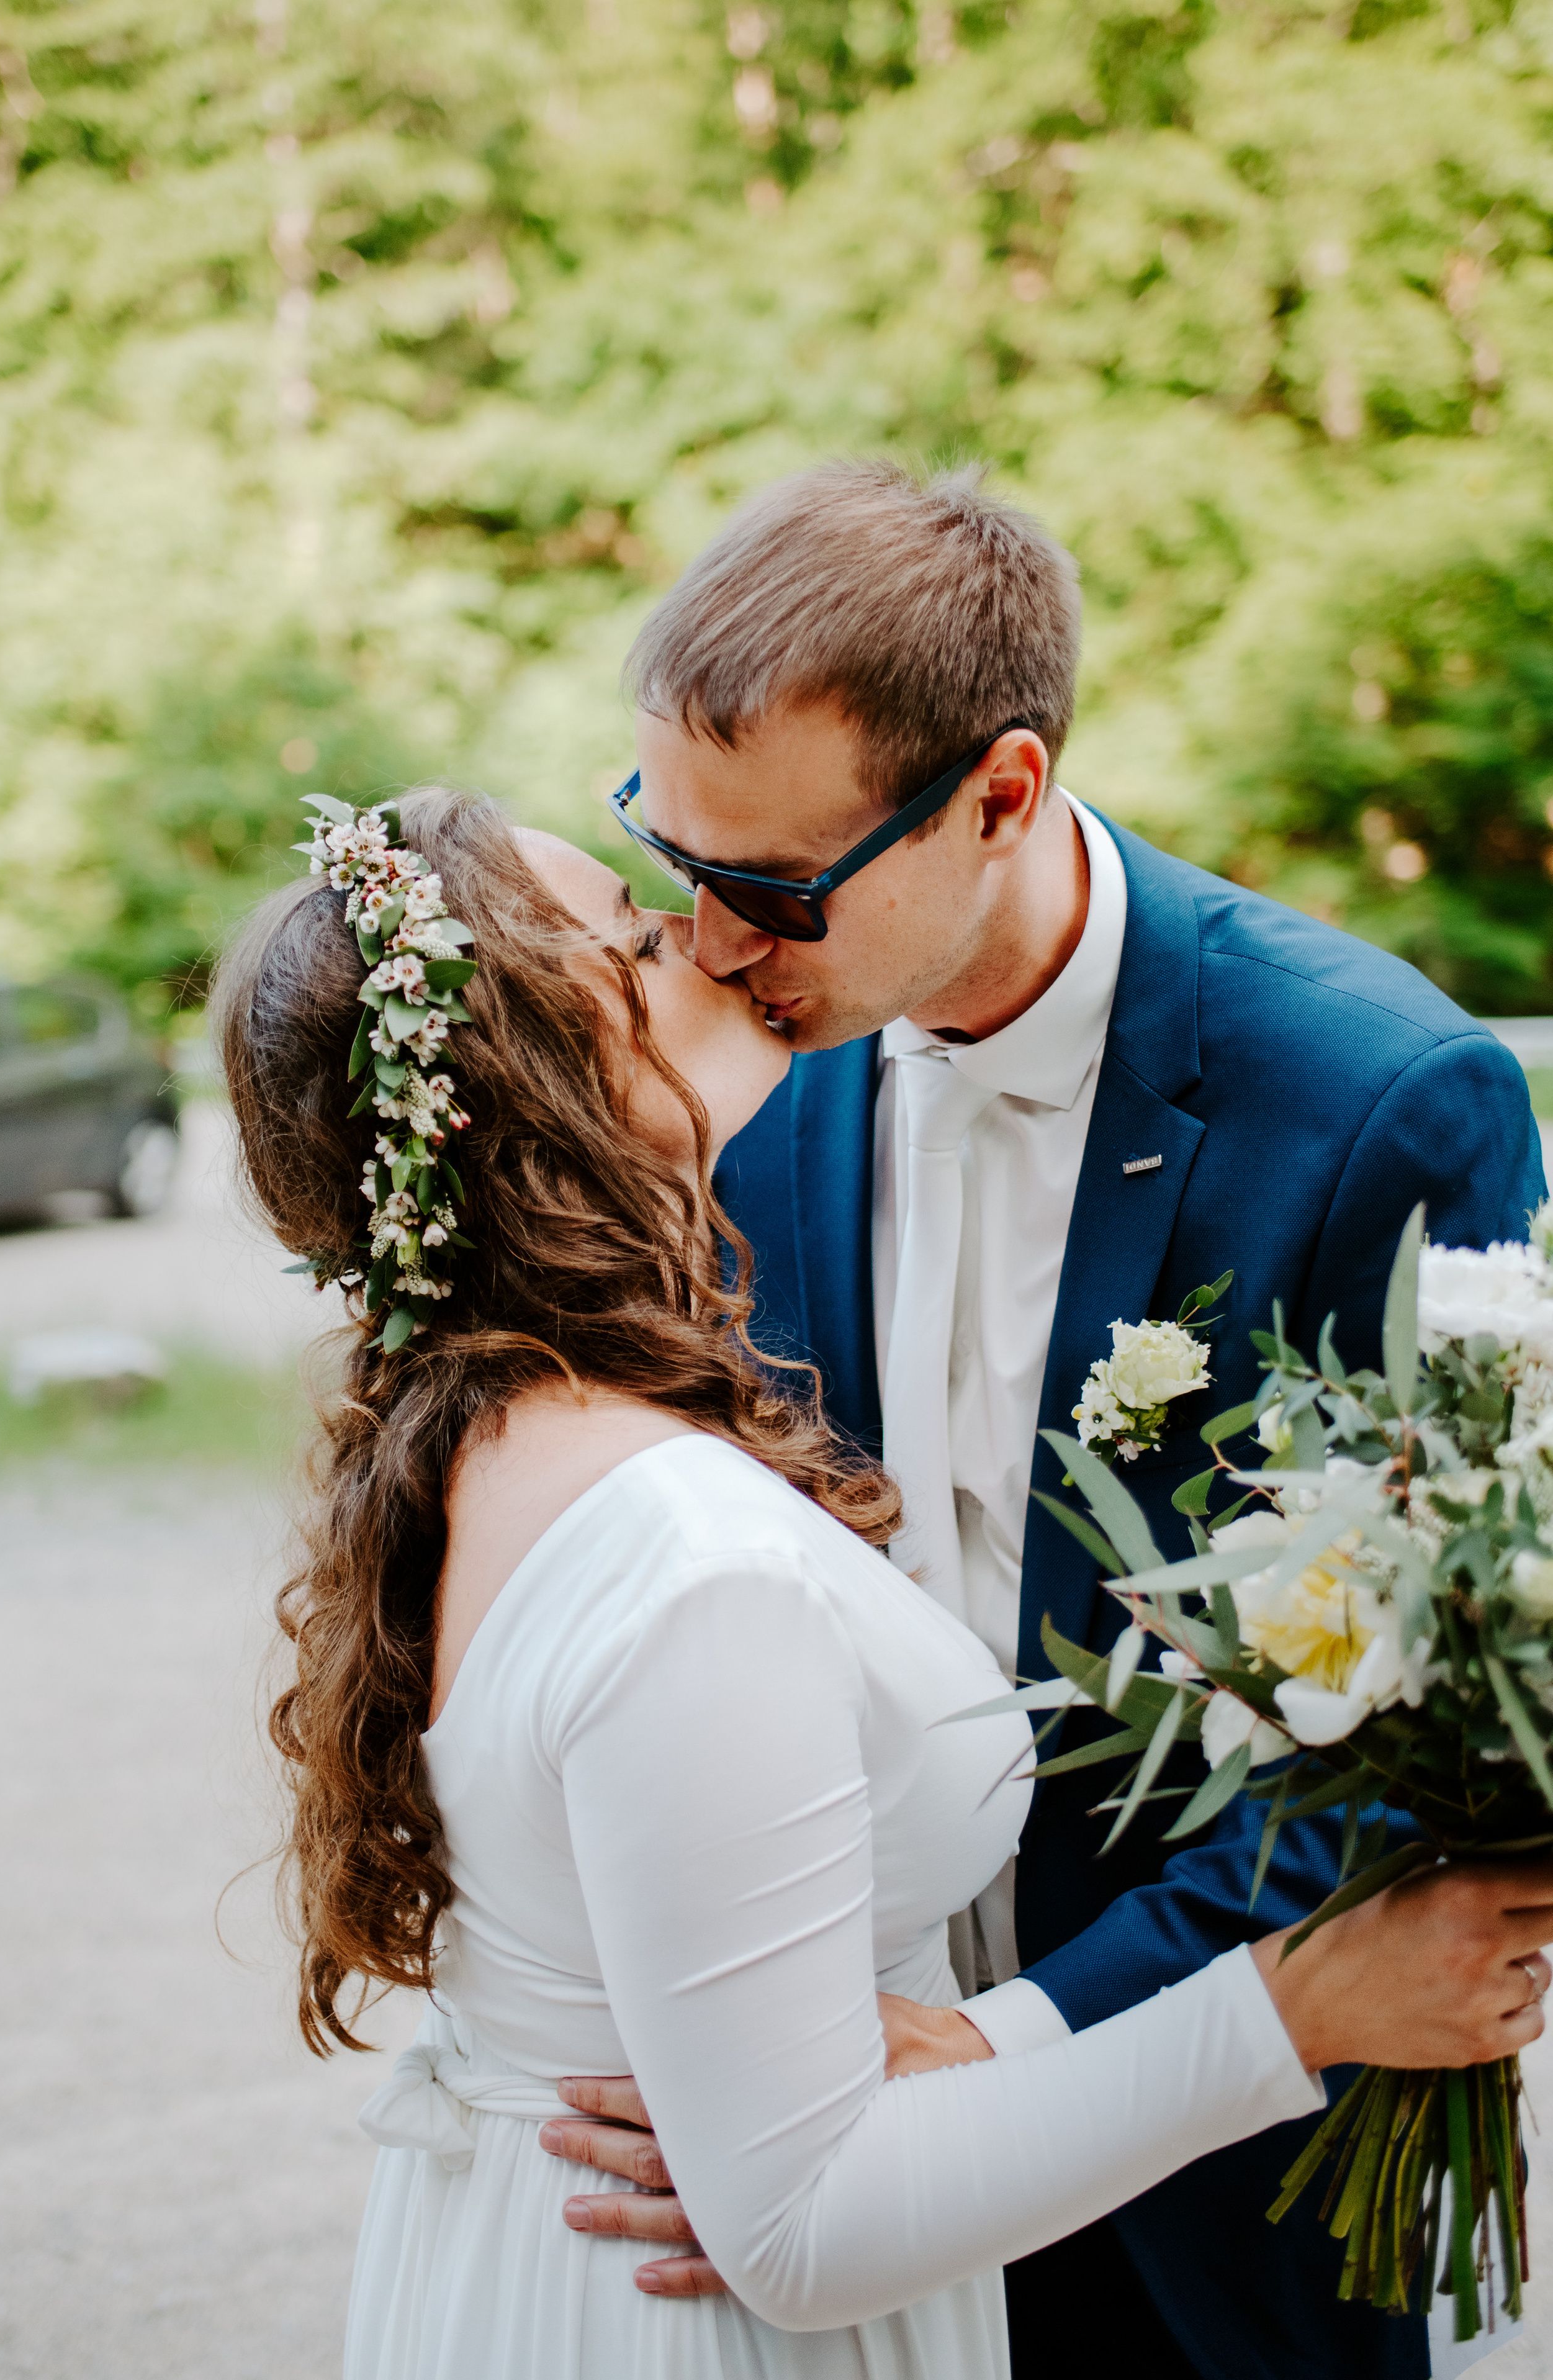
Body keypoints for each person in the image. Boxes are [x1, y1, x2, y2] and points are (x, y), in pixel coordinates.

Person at [215, 787, 1551, 2380]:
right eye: (642, 935)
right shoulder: (687, 1561)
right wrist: (1297, 2008)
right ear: (546, 1085)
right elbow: (802, 2228)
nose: (712, 943)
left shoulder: (492, 1428)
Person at [531, 461, 1551, 2380]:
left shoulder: (1379, 1102)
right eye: (674, 861)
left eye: (767, 888)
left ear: (999, 793)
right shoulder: (733, 1082)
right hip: (839, 2179)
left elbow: (1436, 1739)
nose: (712, 946)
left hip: (1232, 2173)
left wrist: (1018, 2041)